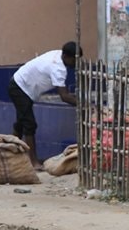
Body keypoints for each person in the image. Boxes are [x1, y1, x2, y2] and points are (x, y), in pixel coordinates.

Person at [9, 42, 80, 170]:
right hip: (20, 87)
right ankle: (33, 162)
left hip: (23, 86)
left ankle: (10, 153)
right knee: (29, 124)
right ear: (66, 56)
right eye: (74, 60)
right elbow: (64, 96)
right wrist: (84, 104)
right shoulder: (58, 68)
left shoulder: (58, 54)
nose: (76, 63)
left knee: (21, 123)